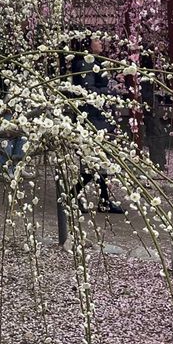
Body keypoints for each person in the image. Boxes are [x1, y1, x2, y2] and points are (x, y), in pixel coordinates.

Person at [69, 37, 125, 214]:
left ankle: (102, 200)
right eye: (97, 41)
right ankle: (73, 194)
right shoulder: (86, 62)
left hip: (97, 116)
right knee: (95, 160)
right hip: (92, 116)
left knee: (100, 160)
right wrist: (110, 92)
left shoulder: (93, 61)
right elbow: (88, 89)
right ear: (87, 44)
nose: (101, 43)